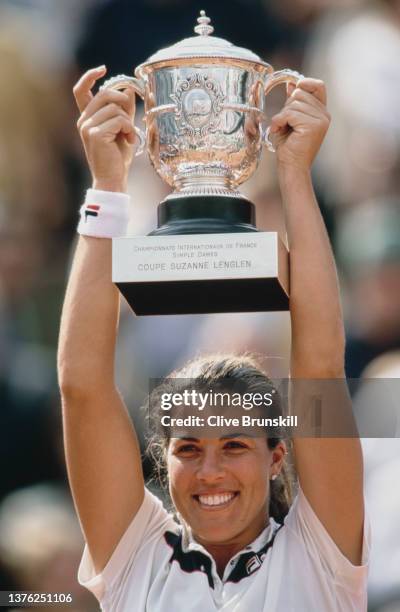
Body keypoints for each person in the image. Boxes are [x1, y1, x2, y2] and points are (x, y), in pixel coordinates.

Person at [57, 66, 369, 611]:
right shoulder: (137, 558)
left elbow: (320, 367)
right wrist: (108, 184)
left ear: (277, 457)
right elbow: (82, 386)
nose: (210, 472)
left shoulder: (320, 555)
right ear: (164, 459)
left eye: (234, 446)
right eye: (189, 449)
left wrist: (295, 173)